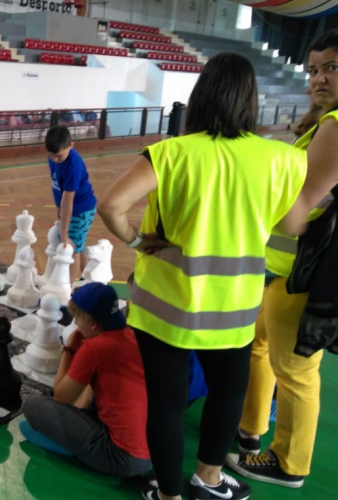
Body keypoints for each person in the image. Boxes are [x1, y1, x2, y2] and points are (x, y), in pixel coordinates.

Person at [97, 52, 312, 500]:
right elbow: (292, 227)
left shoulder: (171, 152)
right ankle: (209, 482)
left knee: (168, 404)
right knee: (228, 394)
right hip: (233, 308)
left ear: (200, 96)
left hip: (163, 308)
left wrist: (137, 243)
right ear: (251, 100)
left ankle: (169, 496)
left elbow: (112, 207)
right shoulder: (282, 159)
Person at [226, 29, 338, 489]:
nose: (318, 78)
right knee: (260, 348)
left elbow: (298, 211)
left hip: (302, 274)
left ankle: (290, 461)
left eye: (331, 66)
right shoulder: (322, 122)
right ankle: (251, 431)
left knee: (294, 369)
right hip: (281, 270)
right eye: (313, 69)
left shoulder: (336, 125)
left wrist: (253, 191)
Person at [20, 283, 152, 478]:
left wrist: (70, 350)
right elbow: (91, 392)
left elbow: (61, 397)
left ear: (92, 324)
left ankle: (72, 449)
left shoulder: (95, 348)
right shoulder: (131, 335)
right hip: (151, 452)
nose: (75, 324)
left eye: (77, 318)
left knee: (32, 406)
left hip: (121, 457)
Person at [45, 126, 97, 282]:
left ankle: (67, 289)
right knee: (78, 247)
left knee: (71, 250)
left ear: (71, 145)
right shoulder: (55, 155)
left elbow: (68, 202)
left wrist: (64, 234)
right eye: (51, 155)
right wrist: (58, 206)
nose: (55, 159)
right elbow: (56, 184)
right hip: (72, 207)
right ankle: (87, 280)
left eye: (59, 156)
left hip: (81, 210)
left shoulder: (73, 166)